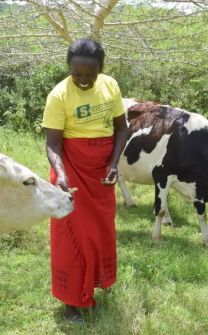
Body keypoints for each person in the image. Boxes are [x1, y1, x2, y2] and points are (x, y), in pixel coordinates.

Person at [42, 38, 128, 322]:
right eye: (76, 73)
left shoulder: (110, 86)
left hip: (101, 173)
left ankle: (92, 287)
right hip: (70, 171)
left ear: (100, 69)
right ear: (69, 67)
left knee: (99, 232)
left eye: (89, 74)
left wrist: (114, 165)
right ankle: (70, 303)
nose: (82, 80)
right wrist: (62, 174)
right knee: (69, 236)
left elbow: (121, 129)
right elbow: (53, 143)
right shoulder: (58, 95)